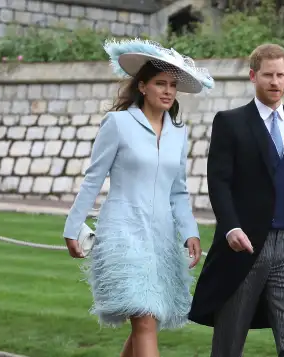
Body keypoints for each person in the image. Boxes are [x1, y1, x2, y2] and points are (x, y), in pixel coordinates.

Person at [62, 38, 214, 357]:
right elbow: (93, 178)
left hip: (161, 238)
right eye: (161, 83)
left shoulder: (178, 132)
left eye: (173, 84)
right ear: (142, 86)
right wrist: (72, 226)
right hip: (122, 234)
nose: (168, 90)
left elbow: (179, 190)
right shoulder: (118, 124)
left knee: (149, 321)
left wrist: (190, 231)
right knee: (144, 320)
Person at [189, 43, 284, 356]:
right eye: (268, 75)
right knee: (229, 341)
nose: (275, 82)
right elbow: (219, 182)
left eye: (280, 75)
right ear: (253, 76)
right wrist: (231, 228)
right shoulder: (230, 122)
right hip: (244, 246)